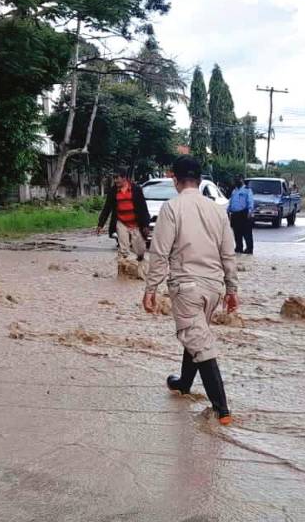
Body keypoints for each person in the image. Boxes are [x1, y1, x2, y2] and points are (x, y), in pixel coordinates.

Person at [143, 155, 239, 426]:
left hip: (186, 287)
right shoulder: (217, 210)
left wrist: (150, 288)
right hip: (214, 288)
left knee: (201, 343)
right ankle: (184, 384)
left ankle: (222, 411)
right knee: (196, 334)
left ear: (175, 179)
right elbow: (228, 254)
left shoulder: (172, 208)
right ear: (199, 179)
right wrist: (232, 288)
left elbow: (159, 252)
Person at [96, 167, 151, 276]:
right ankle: (122, 275)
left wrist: (145, 225)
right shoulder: (113, 191)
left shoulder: (136, 189)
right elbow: (107, 208)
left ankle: (140, 269)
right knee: (123, 250)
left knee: (140, 250)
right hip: (122, 223)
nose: (115, 180)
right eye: (114, 178)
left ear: (124, 178)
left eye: (117, 178)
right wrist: (100, 224)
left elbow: (143, 208)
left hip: (136, 223)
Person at [227, 177, 255, 254]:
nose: (236, 181)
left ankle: (249, 249)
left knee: (247, 233)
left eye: (238, 180)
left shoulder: (247, 190)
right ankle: (239, 248)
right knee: (237, 233)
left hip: (244, 213)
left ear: (242, 180)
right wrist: (228, 211)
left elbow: (250, 201)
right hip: (235, 214)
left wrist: (250, 211)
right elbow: (231, 202)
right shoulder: (234, 191)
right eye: (235, 180)